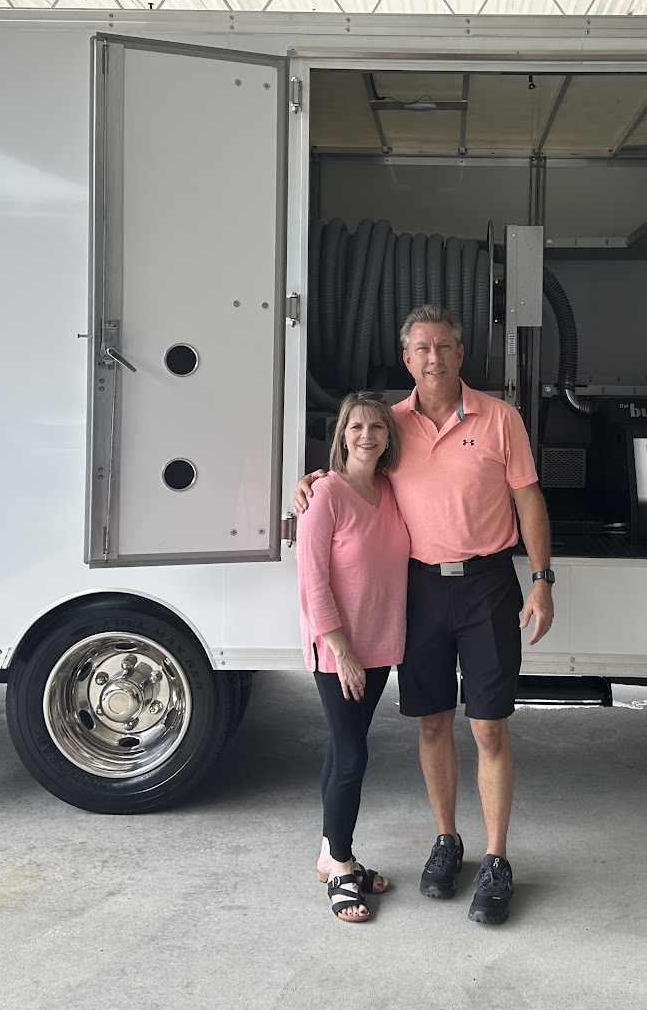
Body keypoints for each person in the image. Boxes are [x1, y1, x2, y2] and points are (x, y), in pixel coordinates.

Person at [295, 304, 554, 926]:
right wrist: (313, 483)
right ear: (406, 359)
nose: (433, 358)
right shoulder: (393, 425)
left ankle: (495, 858)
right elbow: (354, 473)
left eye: (443, 346)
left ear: (461, 354)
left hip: (490, 584)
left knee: (489, 727)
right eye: (421, 349)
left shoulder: (500, 419)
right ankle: (448, 841)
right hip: (423, 591)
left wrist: (542, 580)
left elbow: (529, 498)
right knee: (433, 722)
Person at [298, 391, 411, 924]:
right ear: (342, 434)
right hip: (339, 650)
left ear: (389, 437)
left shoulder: (390, 490)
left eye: (377, 428)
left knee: (345, 750)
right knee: (352, 756)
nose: (367, 435)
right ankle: (343, 866)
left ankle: (328, 852)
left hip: (381, 644)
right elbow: (312, 581)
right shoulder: (325, 495)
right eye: (357, 427)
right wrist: (340, 650)